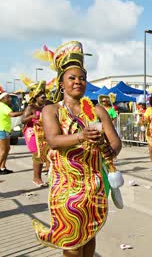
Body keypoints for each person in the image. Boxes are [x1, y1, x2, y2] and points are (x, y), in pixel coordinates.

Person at [32, 41, 121, 257]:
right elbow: (53, 139)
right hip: (66, 186)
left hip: (95, 184)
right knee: (71, 241)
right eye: (72, 78)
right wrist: (82, 135)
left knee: (90, 235)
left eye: (82, 78)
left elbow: (116, 142)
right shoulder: (51, 110)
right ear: (62, 83)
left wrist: (109, 150)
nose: (78, 82)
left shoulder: (97, 110)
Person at [20, 79, 49, 186]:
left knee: (42, 154)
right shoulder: (31, 107)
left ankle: (39, 177)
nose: (44, 98)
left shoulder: (46, 107)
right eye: (42, 97)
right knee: (37, 154)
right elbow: (23, 120)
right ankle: (36, 178)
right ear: (36, 97)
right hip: (32, 133)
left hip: (43, 132)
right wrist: (32, 116)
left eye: (45, 96)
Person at [0, 91, 23, 174]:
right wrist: (24, 112)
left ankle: (2, 167)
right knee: (3, 151)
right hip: (2, 130)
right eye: (7, 97)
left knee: (7, 149)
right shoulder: (3, 106)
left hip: (5, 130)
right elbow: (12, 114)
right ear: (3, 99)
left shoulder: (3, 105)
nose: (9, 99)